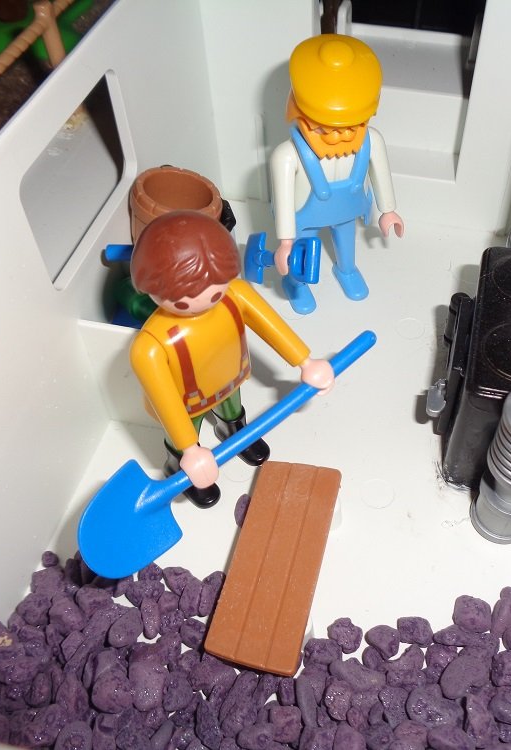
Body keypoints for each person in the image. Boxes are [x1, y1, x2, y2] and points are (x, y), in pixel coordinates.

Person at [129, 211, 334, 507]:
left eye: (215, 289)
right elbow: (165, 401)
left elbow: (271, 325)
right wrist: (190, 450)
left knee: (233, 411)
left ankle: (234, 433)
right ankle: (179, 469)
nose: (203, 299)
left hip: (229, 380)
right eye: (183, 299)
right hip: (185, 404)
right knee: (184, 439)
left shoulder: (235, 294)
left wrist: (306, 361)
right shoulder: (150, 346)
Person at [270, 33, 405, 313]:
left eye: (351, 127)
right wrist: (285, 241)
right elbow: (282, 200)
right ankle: (296, 283)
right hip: (304, 217)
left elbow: (381, 173)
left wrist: (388, 210)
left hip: (346, 211)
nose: (338, 136)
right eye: (323, 128)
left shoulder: (371, 141)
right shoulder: (287, 155)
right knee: (302, 254)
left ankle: (347, 270)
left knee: (346, 242)